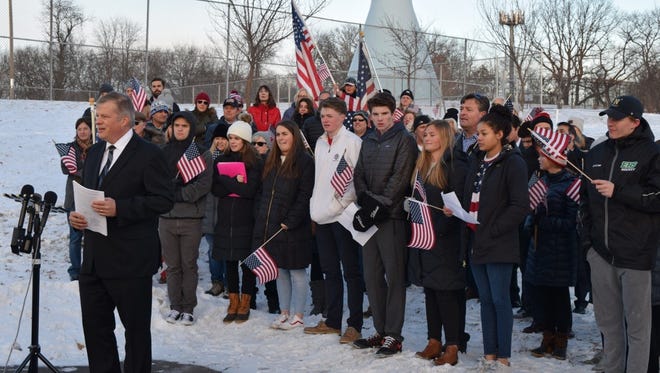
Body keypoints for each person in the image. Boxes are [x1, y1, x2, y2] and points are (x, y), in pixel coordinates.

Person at [68, 92, 174, 372]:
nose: (97, 122)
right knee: (96, 331)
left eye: (104, 116)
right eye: (97, 116)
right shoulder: (93, 153)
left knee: (136, 334)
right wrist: (78, 217)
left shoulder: (149, 155)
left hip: (131, 259)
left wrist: (121, 208)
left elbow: (163, 200)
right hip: (93, 260)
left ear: (124, 120)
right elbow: (89, 194)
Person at [581, 95, 660, 373]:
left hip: (636, 256)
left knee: (638, 329)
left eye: (617, 118)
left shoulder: (652, 152)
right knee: (608, 325)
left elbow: (656, 196)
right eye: (608, 116)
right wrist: (588, 245)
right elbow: (584, 202)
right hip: (601, 253)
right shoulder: (597, 153)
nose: (610, 122)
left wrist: (619, 191)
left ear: (635, 122)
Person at [462, 105, 529, 370]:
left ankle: (503, 355)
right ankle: (490, 351)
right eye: (478, 133)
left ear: (499, 134)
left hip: (499, 241)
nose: (479, 137)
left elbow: (519, 206)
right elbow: (472, 195)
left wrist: (493, 228)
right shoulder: (477, 160)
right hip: (476, 239)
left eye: (484, 133)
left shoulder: (513, 162)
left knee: (500, 299)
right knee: (485, 299)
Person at [352, 92, 417, 356]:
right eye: (375, 115)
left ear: (393, 114)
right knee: (372, 276)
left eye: (384, 115)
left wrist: (378, 206)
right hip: (369, 218)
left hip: (391, 218)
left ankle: (394, 334)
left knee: (394, 277)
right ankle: (379, 330)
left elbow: (399, 179)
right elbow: (358, 176)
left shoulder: (405, 139)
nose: (379, 119)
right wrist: (367, 205)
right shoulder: (367, 140)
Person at [304, 98, 364, 343]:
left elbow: (356, 179)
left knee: (351, 271)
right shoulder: (319, 142)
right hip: (322, 215)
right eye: (323, 115)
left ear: (342, 117)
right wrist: (315, 208)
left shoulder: (353, 142)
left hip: (343, 215)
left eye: (330, 115)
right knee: (330, 271)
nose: (325, 119)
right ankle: (332, 321)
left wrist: (340, 204)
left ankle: (355, 324)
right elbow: (320, 180)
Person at [409, 120, 468, 366]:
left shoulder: (455, 166)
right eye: (425, 133)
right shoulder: (422, 165)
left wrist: (446, 220)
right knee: (430, 291)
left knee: (446, 293)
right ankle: (434, 340)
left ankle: (452, 344)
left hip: (447, 238)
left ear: (444, 137)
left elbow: (460, 204)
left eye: (432, 133)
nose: (426, 136)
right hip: (425, 236)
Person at [254, 121, 315, 330]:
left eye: (285, 134)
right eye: (278, 134)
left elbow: (304, 195)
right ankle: (284, 312)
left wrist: (291, 220)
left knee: (297, 271)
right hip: (273, 224)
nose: (281, 138)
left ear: (294, 136)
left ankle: (298, 314)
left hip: (294, 226)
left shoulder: (304, 162)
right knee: (280, 270)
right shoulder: (271, 161)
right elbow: (264, 193)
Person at [525, 129, 579, 360]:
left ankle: (561, 339)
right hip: (539, 249)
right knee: (542, 297)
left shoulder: (570, 184)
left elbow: (571, 222)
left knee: (559, 299)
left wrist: (546, 221)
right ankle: (546, 338)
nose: (539, 157)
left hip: (560, 252)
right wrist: (531, 221)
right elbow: (531, 209)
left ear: (554, 159)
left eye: (543, 155)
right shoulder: (541, 180)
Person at [160, 111, 213, 325]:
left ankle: (188, 307)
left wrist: (177, 194)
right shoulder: (162, 153)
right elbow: (155, 182)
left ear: (191, 129)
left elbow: (202, 185)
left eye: (184, 126)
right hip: (166, 218)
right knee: (172, 266)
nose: (180, 129)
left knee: (188, 265)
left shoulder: (201, 154)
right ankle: (175, 306)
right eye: (176, 125)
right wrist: (166, 195)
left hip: (191, 218)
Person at [212, 121, 263, 323]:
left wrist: (229, 183)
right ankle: (233, 301)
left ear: (245, 141)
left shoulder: (255, 162)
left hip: (246, 218)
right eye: (230, 138)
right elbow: (216, 189)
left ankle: (246, 301)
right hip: (226, 218)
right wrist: (234, 182)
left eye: (237, 138)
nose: (232, 142)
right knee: (230, 260)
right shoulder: (220, 160)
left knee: (247, 262)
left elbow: (249, 191)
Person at [62, 117, 93, 281]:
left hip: (91, 196)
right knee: (75, 237)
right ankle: (75, 270)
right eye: (79, 129)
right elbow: (65, 169)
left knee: (91, 236)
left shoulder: (97, 147)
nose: (82, 131)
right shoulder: (69, 148)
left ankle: (90, 268)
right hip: (73, 197)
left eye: (85, 128)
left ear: (90, 130)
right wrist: (86, 172)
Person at [202, 123, 229, 297]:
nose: (220, 142)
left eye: (223, 138)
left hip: (226, 210)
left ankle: (228, 283)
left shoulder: (231, 158)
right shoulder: (207, 158)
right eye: (217, 138)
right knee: (213, 250)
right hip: (209, 210)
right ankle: (216, 281)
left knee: (226, 250)